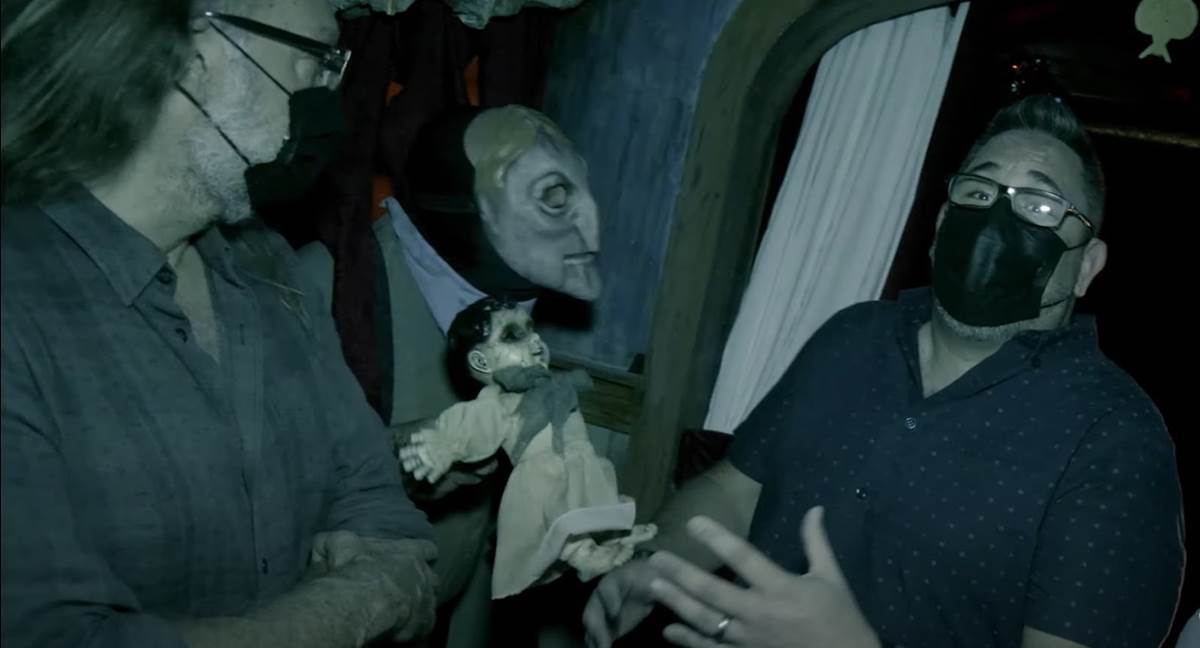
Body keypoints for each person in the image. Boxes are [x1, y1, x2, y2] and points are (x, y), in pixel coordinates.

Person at [582, 95, 1185, 648]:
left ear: (1087, 266)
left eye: (1041, 204)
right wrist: (655, 565)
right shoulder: (851, 337)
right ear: (943, 224)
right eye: (979, 191)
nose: (999, 217)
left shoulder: (1115, 440)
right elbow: (734, 490)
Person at [1, 2, 438, 647]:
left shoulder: (269, 264)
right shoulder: (16, 304)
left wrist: (375, 575)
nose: (329, 95)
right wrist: (357, 603)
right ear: (194, 59)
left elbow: (375, 501)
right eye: (316, 59)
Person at [295, 104, 602, 645]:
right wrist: (403, 459)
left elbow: (482, 528)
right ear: (465, 208)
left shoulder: (511, 310)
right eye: (553, 196)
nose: (591, 224)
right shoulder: (324, 289)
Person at [399, 297, 655, 599]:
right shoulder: (501, 402)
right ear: (481, 362)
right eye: (513, 335)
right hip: (544, 476)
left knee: (587, 497)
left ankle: (609, 536)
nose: (534, 339)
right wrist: (444, 445)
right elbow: (477, 424)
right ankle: (582, 554)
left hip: (576, 460)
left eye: (530, 328)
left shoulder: (551, 385)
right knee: (559, 511)